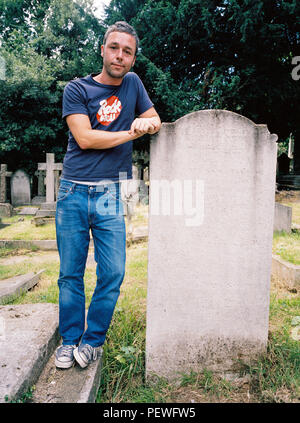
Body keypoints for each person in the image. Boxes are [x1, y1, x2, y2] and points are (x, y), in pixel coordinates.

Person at [55, 21, 161, 369]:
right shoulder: (77, 89)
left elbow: (154, 118)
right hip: (73, 192)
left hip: (110, 194)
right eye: (114, 48)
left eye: (127, 51)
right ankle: (69, 339)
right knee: (71, 272)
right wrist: (132, 133)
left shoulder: (132, 84)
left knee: (113, 271)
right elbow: (85, 138)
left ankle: (93, 339)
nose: (120, 55)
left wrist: (149, 123)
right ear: (103, 50)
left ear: (133, 58)